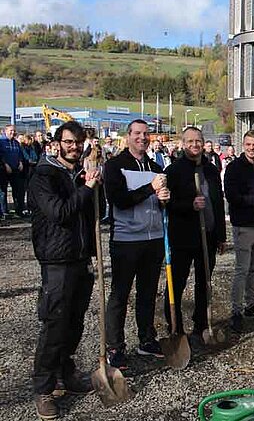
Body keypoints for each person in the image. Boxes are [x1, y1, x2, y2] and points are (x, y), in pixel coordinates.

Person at [28, 121, 100, 419]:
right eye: (69, 142)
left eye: (78, 142)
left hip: (80, 257)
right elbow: (59, 213)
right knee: (55, 323)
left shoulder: (82, 173)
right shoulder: (44, 175)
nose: (74, 147)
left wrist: (95, 185)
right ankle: (44, 389)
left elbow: (94, 214)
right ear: (58, 143)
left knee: (75, 321)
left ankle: (65, 372)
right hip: (56, 260)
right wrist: (87, 188)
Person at [103, 119, 169, 368]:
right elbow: (119, 201)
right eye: (137, 133)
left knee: (148, 292)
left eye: (146, 134)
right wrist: (150, 188)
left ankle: (146, 339)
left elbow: (157, 200)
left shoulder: (155, 165)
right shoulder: (114, 166)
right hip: (126, 240)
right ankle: (115, 347)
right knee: (120, 294)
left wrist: (163, 198)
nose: (142, 137)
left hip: (153, 239)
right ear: (128, 136)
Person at [164, 127, 227, 339]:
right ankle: (175, 326)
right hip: (183, 236)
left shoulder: (211, 170)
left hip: (207, 236)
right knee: (177, 282)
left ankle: (201, 324)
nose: (195, 145)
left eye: (198, 141)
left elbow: (218, 203)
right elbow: (167, 203)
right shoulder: (174, 170)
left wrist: (221, 235)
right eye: (190, 141)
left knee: (204, 282)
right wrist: (188, 204)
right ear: (183, 143)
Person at [223, 130, 254, 332]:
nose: (252, 148)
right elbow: (232, 197)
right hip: (244, 226)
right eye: (249, 144)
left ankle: (250, 304)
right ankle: (236, 310)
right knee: (242, 270)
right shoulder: (234, 168)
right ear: (243, 145)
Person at [0, 124, 27, 216]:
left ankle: (19, 210)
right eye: (11, 130)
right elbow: (1, 155)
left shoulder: (16, 143)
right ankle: (4, 212)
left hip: (15, 170)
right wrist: (5, 165)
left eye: (14, 131)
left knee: (17, 190)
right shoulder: (1, 142)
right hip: (4, 170)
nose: (13, 132)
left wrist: (20, 162)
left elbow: (20, 154)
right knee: (3, 192)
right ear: (5, 131)